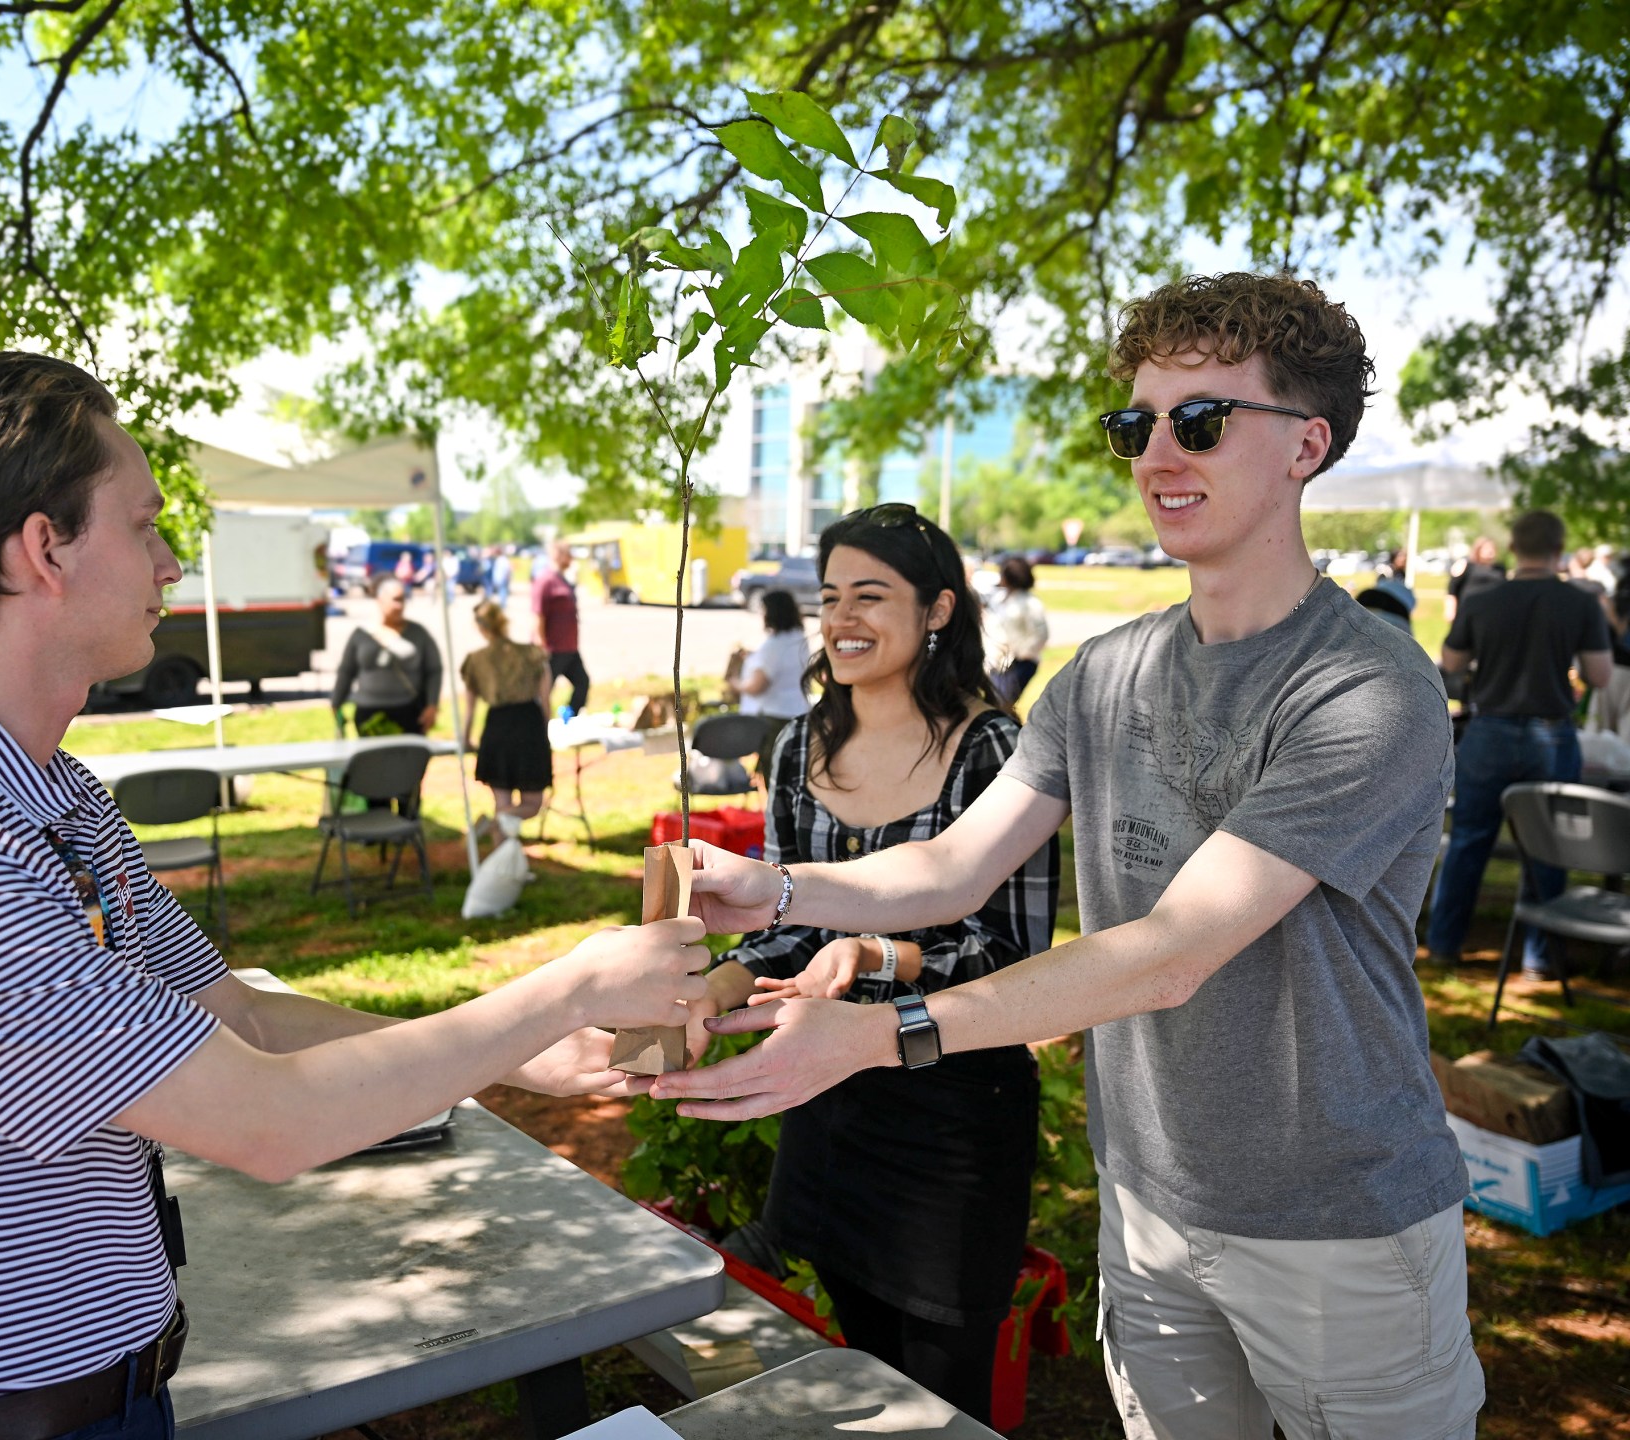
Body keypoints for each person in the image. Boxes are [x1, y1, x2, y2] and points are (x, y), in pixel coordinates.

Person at [0, 352, 709, 1440]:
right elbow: (266, 1122)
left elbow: (238, 1018)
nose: (169, 563)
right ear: (42, 549)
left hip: (103, 1401)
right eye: (145, 524)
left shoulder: (48, 797)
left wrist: (521, 1053)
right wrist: (569, 989)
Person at [655, 272, 1486, 1439]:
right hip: (1145, 1199)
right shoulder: (1102, 675)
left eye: (1198, 420)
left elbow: (1164, 958)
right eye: (1133, 423)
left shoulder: (1364, 686)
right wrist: (779, 885)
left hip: (1335, 1219)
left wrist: (883, 1032)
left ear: (1306, 444)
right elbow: (950, 868)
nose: (1155, 453)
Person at [693, 505, 1055, 1422]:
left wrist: (876, 955)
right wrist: (712, 988)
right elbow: (781, 927)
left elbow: (1015, 956)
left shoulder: (995, 753)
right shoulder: (794, 747)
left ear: (937, 610)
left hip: (951, 1111)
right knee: (858, 1367)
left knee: (943, 1386)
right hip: (823, 1092)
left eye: (870, 595)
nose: (843, 618)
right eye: (829, 599)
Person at [1425, 509, 1611, 973]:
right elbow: (1600, 674)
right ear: (1558, 550)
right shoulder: (1580, 602)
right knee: (1549, 849)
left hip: (1489, 731)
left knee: (1468, 841)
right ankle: (1539, 958)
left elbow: (1452, 659)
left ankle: (1444, 943)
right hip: (1551, 733)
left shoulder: (1485, 598)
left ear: (1514, 547)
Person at [459, 597, 553, 831]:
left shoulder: (476, 660)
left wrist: (465, 739)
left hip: (497, 727)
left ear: (481, 627)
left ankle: (499, 847)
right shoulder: (532, 654)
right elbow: (546, 701)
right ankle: (496, 830)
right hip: (528, 724)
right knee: (531, 803)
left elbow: (470, 709)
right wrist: (544, 732)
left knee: (502, 802)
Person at [331, 575, 442, 737]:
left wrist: (432, 704)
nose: (399, 606)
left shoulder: (418, 633)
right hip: (368, 711)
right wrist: (336, 702)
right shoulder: (362, 634)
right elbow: (346, 671)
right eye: (395, 600)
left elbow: (434, 670)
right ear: (379, 600)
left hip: (408, 711)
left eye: (403, 600)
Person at [735, 588, 813, 781]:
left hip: (775, 718)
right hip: (801, 712)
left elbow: (757, 686)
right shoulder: (799, 639)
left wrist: (735, 684)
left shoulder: (774, 645)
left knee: (775, 776)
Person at [533, 537, 589, 712]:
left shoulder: (563, 580)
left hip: (570, 648)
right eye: (568, 554)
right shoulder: (545, 581)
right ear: (558, 555)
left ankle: (569, 716)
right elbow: (538, 616)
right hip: (553, 649)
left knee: (582, 683)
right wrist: (542, 645)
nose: (571, 558)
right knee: (543, 691)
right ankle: (538, 726)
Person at [983, 556, 1049, 703]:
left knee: (1002, 703)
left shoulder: (1030, 604)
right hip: (996, 663)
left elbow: (1041, 635)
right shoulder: (998, 598)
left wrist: (1022, 652)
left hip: (1019, 663)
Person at [1444, 535, 1505, 621]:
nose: (1490, 551)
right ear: (1478, 549)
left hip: (1492, 610)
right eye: (1486, 548)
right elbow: (1453, 587)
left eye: (1492, 548)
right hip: (1468, 609)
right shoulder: (1466, 565)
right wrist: (1450, 609)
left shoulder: (1499, 569)